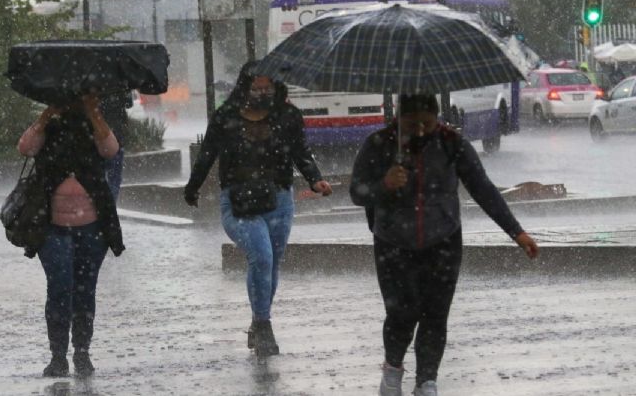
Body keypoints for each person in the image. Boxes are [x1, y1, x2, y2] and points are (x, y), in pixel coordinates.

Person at [349, 95, 538, 396]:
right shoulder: (378, 143)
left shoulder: (452, 144)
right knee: (402, 314)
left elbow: (483, 189)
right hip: (393, 243)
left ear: (437, 117)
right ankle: (392, 369)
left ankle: (427, 380)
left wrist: (516, 232)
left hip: (444, 241)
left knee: (436, 315)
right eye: (413, 124)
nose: (421, 131)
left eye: (428, 122)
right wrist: (384, 184)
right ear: (398, 116)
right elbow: (357, 193)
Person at [184, 61, 333, 357]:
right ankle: (264, 326)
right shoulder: (226, 116)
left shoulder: (288, 116)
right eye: (257, 87)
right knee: (262, 256)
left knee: (271, 262)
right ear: (244, 86)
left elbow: (301, 152)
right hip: (238, 202)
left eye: (268, 87)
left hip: (279, 200)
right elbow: (208, 154)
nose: (262, 93)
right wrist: (193, 186)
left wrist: (315, 180)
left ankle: (258, 320)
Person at [18, 94, 125, 378]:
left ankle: (82, 352)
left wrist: (93, 113)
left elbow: (111, 150)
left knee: (84, 290)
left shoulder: (95, 127)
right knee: (60, 286)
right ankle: (57, 356)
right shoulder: (48, 129)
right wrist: (46, 114)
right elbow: (25, 147)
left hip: (92, 227)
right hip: (52, 227)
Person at [100, 91, 133, 200]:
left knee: (100, 175)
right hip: (117, 132)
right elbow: (129, 103)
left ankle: (102, 204)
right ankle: (111, 205)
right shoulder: (121, 81)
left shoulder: (93, 84)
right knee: (114, 176)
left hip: (99, 132)